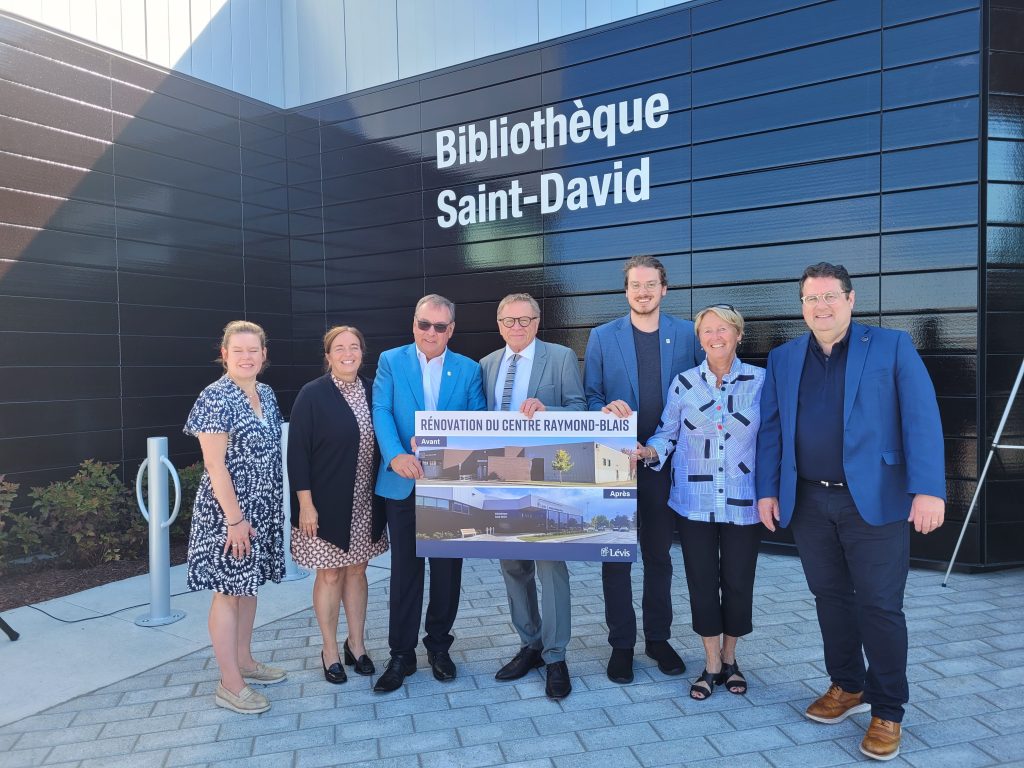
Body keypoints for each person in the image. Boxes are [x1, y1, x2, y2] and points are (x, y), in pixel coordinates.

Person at [756, 262, 946, 761]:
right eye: (810, 299)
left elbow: (922, 417)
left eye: (829, 297)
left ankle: (888, 710)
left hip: (876, 500)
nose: (820, 306)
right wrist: (767, 490)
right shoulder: (783, 357)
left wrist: (928, 489)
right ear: (801, 305)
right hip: (809, 500)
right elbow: (771, 429)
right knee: (829, 598)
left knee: (880, 605)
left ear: (850, 299)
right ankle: (848, 685)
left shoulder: (890, 346)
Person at [635, 305, 764, 700]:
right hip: (694, 502)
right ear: (700, 338)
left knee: (739, 584)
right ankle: (710, 664)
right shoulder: (684, 383)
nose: (715, 336)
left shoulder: (761, 381)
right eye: (707, 330)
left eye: (723, 329)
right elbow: (667, 434)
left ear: (738, 334)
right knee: (702, 584)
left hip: (744, 500)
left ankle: (731, 659)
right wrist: (648, 452)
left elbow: (775, 437)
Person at [583, 255, 703, 683]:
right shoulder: (601, 336)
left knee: (658, 556)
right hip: (615, 464)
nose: (643, 292)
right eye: (635, 285)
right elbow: (589, 397)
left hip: (663, 464)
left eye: (651, 285)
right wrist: (604, 407)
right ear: (626, 290)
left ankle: (658, 638)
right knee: (615, 557)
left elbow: (699, 391)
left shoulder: (687, 333)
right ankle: (621, 645)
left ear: (664, 289)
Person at [371, 294, 487, 693]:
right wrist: (395, 454)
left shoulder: (468, 369)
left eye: (440, 327)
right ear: (414, 324)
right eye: (425, 324)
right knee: (405, 572)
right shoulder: (391, 360)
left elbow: (478, 421)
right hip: (404, 480)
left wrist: (447, 446)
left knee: (446, 571)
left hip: (451, 483)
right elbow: (381, 410)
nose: (431, 333)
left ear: (451, 330)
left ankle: (439, 646)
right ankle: (401, 654)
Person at [479, 293, 586, 700]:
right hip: (501, 480)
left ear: (538, 322)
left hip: (544, 478)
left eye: (525, 320)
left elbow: (579, 408)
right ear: (499, 324)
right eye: (509, 321)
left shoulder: (559, 357)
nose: (517, 327)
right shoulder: (487, 365)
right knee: (513, 567)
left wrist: (550, 408)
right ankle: (531, 645)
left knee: (551, 568)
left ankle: (557, 656)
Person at [184, 320, 287, 715]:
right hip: (228, 514)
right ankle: (230, 683)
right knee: (228, 592)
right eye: (238, 351)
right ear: (224, 354)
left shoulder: (266, 393)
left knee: (248, 588)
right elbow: (215, 466)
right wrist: (235, 520)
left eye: (253, 350)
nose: (247, 357)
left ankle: (245, 661)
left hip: (260, 509)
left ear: (264, 355)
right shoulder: (215, 397)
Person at [287, 326, 388, 685]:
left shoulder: (375, 389)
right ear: (328, 355)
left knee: (357, 571)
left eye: (354, 347)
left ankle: (357, 645)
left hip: (365, 501)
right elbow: (297, 453)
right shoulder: (312, 395)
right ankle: (329, 649)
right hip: (324, 503)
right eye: (339, 348)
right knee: (329, 574)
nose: (348, 353)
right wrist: (305, 505)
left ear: (363, 352)